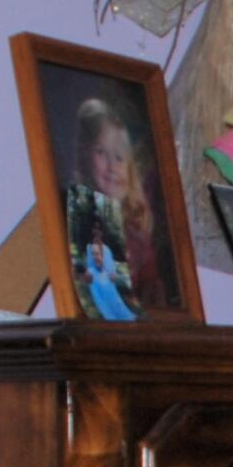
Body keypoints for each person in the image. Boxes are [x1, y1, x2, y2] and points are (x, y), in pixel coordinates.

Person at [64, 95, 169, 314]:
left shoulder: (136, 228)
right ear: (85, 153)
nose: (112, 167)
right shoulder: (79, 218)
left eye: (120, 157)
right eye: (101, 153)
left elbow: (151, 298)